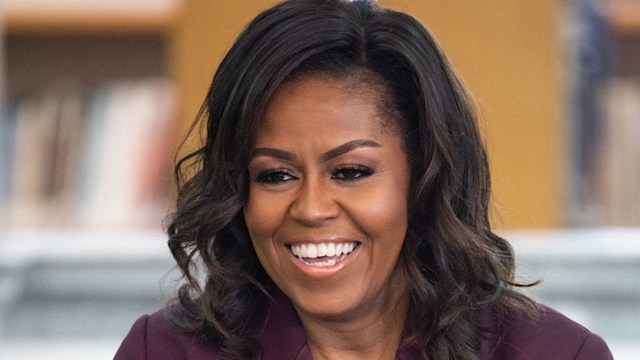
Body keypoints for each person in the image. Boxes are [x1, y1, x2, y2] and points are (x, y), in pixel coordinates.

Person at [115, 0, 613, 359]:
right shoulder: (163, 351)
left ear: (423, 179)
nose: (310, 208)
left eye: (350, 171)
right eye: (275, 175)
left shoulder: (554, 353)